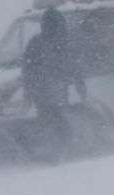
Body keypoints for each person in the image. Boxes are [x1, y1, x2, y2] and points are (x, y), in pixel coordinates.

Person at [22, 8, 87, 144]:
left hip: (45, 91)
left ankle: (59, 144)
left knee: (52, 120)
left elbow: (27, 69)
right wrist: (81, 89)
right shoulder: (66, 41)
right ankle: (64, 144)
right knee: (60, 118)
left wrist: (28, 89)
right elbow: (76, 67)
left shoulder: (37, 41)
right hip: (56, 90)